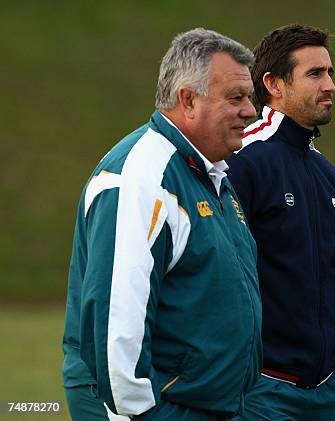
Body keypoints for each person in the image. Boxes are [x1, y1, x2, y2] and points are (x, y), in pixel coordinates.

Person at [62, 28, 262, 420]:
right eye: (236, 97)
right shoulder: (143, 179)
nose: (250, 110)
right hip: (157, 409)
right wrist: (144, 411)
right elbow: (116, 322)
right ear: (187, 99)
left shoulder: (210, 173)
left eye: (249, 98)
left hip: (205, 404)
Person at [225, 24, 335, 420]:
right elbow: (220, 275)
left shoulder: (327, 173)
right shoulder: (242, 159)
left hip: (328, 390)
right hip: (263, 389)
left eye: (329, 72)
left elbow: (331, 278)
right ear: (274, 84)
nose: (329, 85)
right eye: (315, 74)